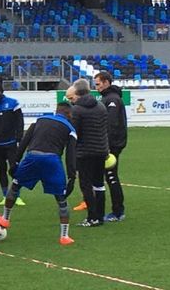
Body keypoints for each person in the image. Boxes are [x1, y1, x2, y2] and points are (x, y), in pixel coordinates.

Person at [0, 103, 77, 246]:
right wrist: (72, 177)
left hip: (32, 157)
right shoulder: (71, 129)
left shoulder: (39, 120)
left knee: (15, 186)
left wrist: (15, 162)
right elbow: (71, 155)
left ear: (56, 111)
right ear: (69, 114)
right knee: (61, 199)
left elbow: (24, 142)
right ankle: (64, 236)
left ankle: (5, 218)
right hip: (52, 161)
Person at [66, 79, 109, 227]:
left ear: (77, 93)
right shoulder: (101, 106)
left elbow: (74, 132)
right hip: (101, 150)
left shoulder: (77, 110)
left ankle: (92, 217)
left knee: (85, 185)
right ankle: (100, 216)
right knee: (99, 184)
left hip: (84, 153)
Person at [95, 71, 128, 222]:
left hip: (111, 145)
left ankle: (118, 211)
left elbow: (111, 125)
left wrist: (106, 145)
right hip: (110, 144)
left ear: (106, 82)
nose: (96, 87)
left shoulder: (112, 99)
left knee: (111, 176)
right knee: (108, 177)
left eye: (98, 84)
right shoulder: (108, 98)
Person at [0, 77, 26, 206]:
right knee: (2, 170)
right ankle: (5, 196)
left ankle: (17, 195)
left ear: (1, 91)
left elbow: (19, 122)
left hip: (11, 143)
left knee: (15, 170)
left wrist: (19, 139)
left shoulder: (13, 103)